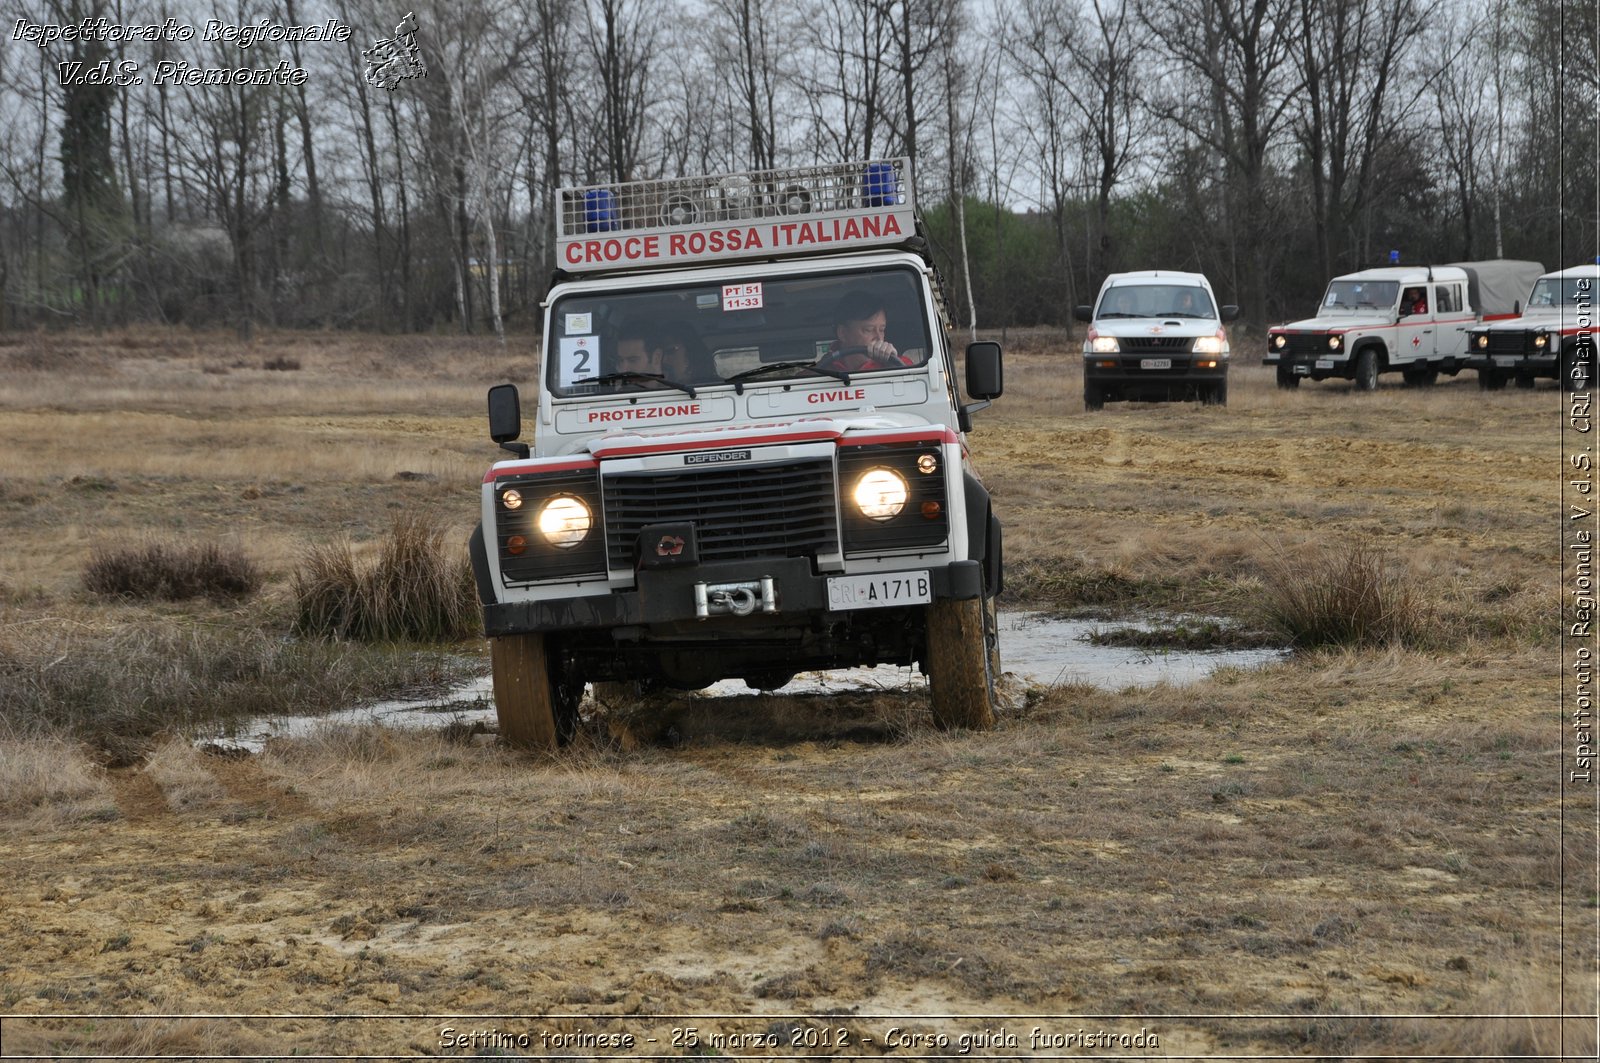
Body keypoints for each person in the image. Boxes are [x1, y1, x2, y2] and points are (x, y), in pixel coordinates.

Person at [820, 292, 912, 371]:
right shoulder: (820, 371)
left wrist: (892, 365)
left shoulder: (903, 364)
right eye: (869, 330)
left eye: (882, 330)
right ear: (843, 333)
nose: (879, 338)